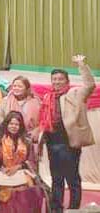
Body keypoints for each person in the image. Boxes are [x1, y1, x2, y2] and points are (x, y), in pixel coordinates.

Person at [40, 55, 95, 212]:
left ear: (67, 81)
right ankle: (56, 208)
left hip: (69, 143)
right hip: (52, 143)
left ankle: (73, 209)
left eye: (60, 79)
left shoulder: (75, 93)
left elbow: (90, 85)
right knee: (56, 179)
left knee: (72, 179)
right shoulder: (47, 97)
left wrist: (81, 65)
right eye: (54, 79)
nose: (57, 82)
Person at [0, 111, 45, 213]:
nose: (14, 126)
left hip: (22, 172)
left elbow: (31, 162)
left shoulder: (27, 141)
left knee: (27, 190)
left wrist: (18, 167)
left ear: (20, 126)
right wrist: (1, 168)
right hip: (4, 174)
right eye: (11, 124)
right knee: (9, 192)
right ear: (7, 124)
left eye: (17, 124)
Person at [0, 76, 41, 140]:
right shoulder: (6, 100)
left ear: (26, 88)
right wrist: (8, 127)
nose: (16, 88)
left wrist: (36, 130)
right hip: (9, 136)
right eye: (14, 86)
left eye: (20, 86)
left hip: (30, 136)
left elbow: (42, 120)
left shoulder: (35, 102)